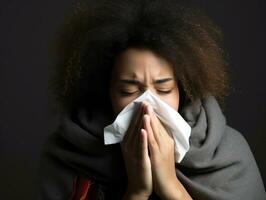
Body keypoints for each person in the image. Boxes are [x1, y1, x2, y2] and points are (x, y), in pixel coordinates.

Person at [37, 0, 266, 199]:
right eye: (128, 91)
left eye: (164, 89)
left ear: (183, 91)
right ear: (106, 91)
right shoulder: (68, 154)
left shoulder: (228, 154)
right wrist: (137, 192)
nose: (147, 105)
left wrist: (171, 187)